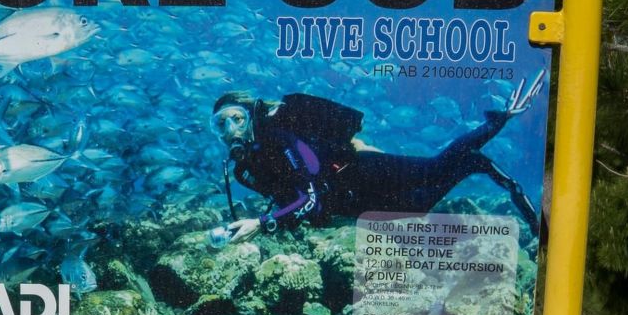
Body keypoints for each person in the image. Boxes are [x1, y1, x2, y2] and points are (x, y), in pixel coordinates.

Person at [210, 74, 543, 243]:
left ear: (251, 116)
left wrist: (263, 223)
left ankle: (496, 120)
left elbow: (308, 196)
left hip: (361, 171)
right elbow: (288, 197)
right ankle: (473, 163)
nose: (229, 129)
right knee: (418, 208)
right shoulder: (244, 171)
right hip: (351, 203)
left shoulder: (280, 138)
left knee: (434, 168)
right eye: (220, 124)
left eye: (236, 118)